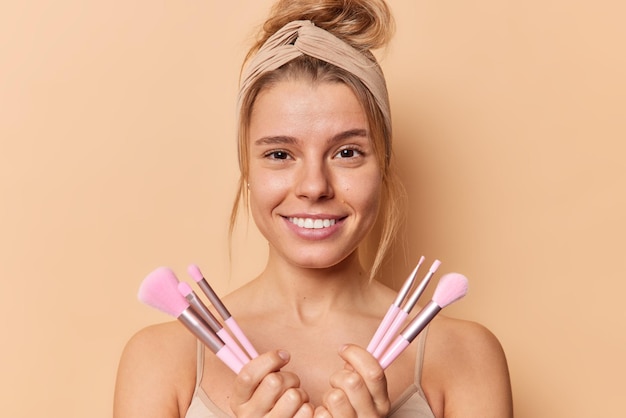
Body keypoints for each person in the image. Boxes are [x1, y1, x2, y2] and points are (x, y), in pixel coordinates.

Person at [113, 0, 514, 417]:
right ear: (246, 168)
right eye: (280, 155)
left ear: (383, 166)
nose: (314, 187)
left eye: (346, 152)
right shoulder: (159, 360)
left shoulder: (464, 356)